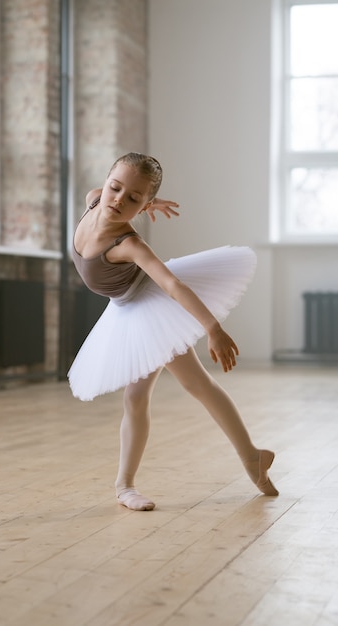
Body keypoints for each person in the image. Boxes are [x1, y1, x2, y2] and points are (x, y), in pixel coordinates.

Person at [69, 152, 278, 511]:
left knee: (157, 393)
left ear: (143, 206)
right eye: (115, 188)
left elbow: (171, 284)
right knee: (192, 385)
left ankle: (125, 486)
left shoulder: (128, 245)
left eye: (133, 199)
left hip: (150, 307)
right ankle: (252, 458)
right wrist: (141, 199)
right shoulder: (93, 201)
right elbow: (103, 192)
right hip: (126, 310)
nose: (118, 199)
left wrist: (212, 327)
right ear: (105, 184)